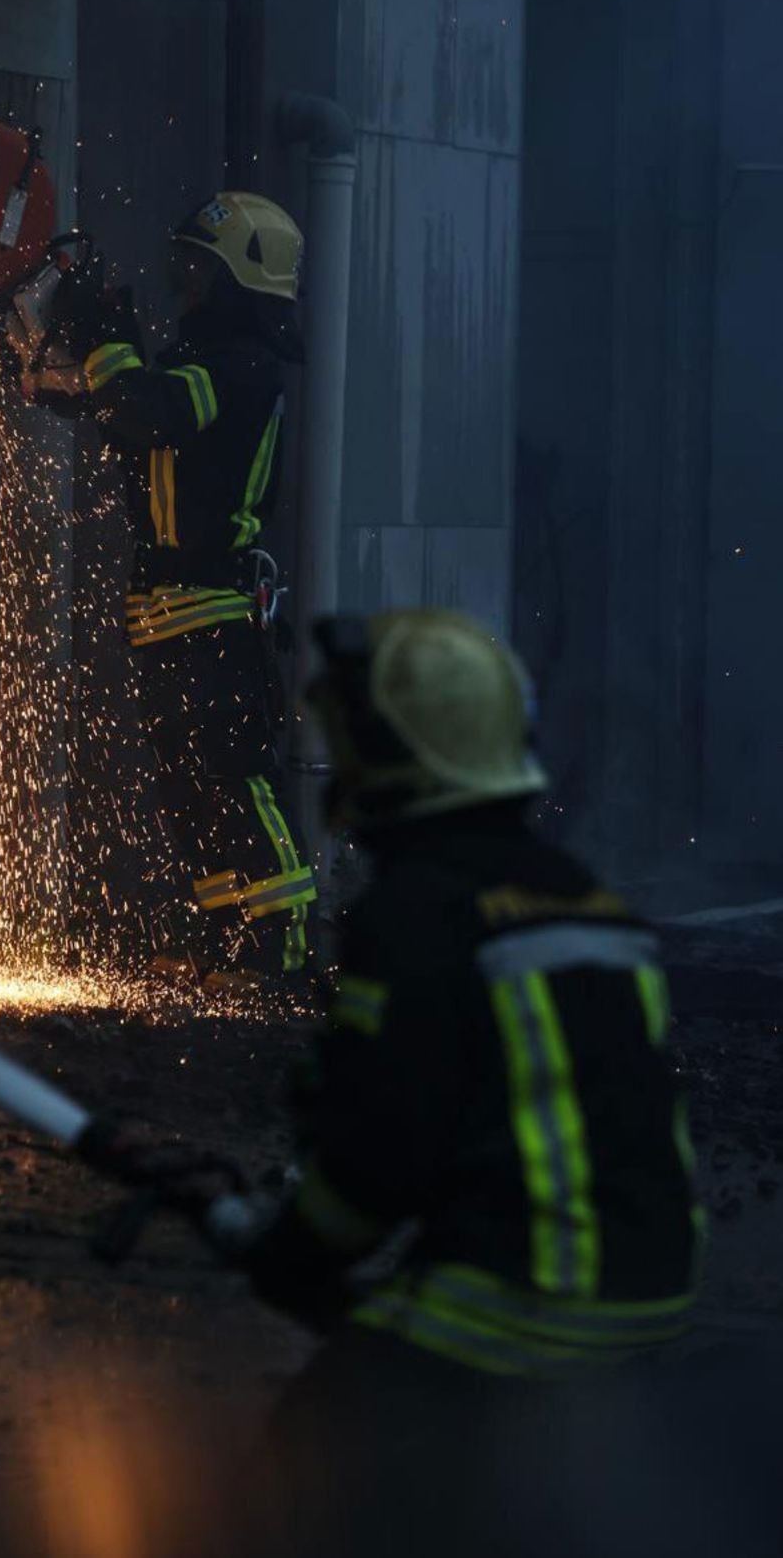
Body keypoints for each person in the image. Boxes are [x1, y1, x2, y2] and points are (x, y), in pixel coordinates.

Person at [225, 608, 720, 1556]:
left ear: (395, 759)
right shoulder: (583, 894)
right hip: (654, 1280)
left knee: (316, 1444)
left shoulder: (416, 915)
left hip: (532, 1296)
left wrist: (293, 1251)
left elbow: (382, 1159)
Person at [25, 194, 316, 990]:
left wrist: (109, 342)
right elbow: (129, 410)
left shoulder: (242, 369)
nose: (183, 284)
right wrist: (73, 363)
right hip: (162, 610)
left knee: (233, 776)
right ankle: (229, 946)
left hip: (213, 608)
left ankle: (278, 952)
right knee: (190, 789)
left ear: (238, 279)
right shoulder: (197, 367)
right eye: (182, 265)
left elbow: (146, 412)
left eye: (199, 269)